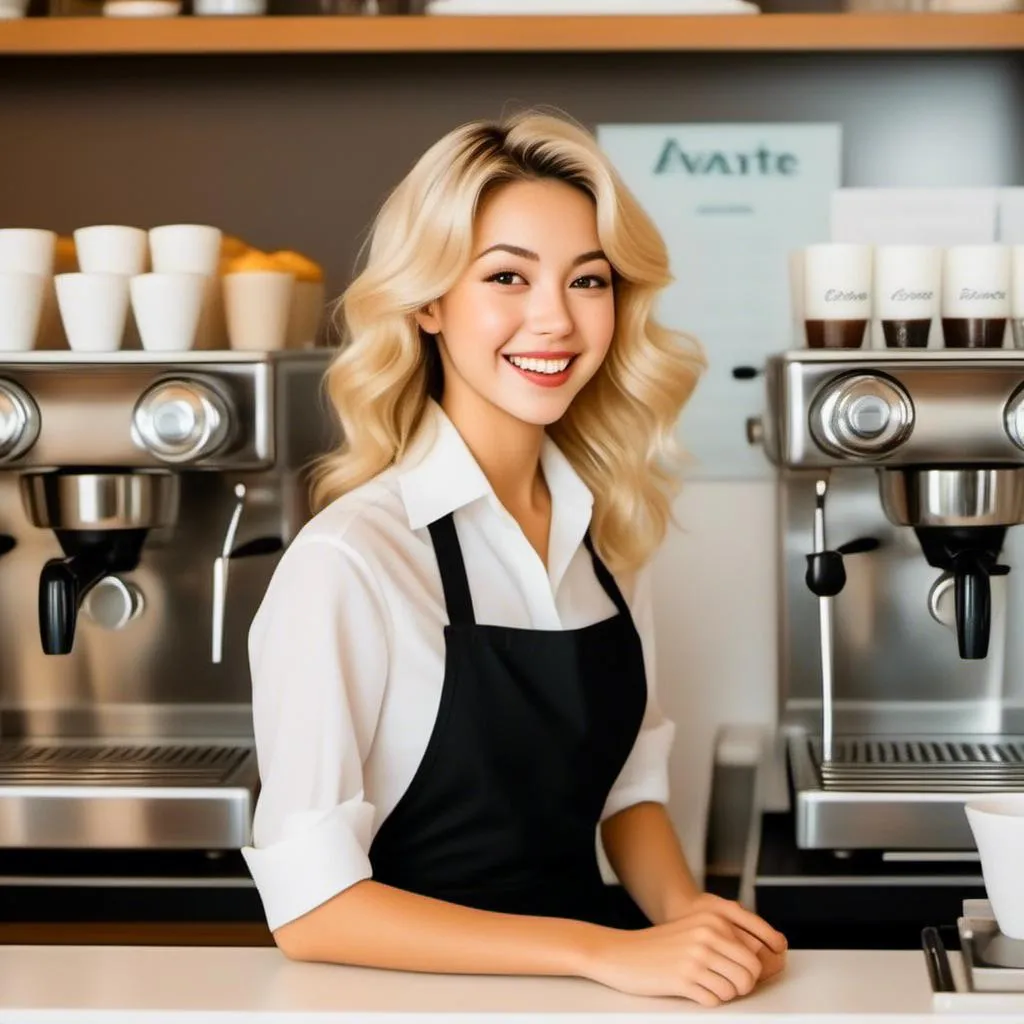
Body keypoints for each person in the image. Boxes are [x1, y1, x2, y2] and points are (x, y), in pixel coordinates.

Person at [241, 108, 787, 1007]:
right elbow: (313, 911)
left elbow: (629, 785)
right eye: (506, 276)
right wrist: (598, 951)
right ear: (426, 302)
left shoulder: (607, 533)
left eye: (588, 281)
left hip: (582, 997)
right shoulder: (353, 559)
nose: (556, 322)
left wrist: (689, 914)